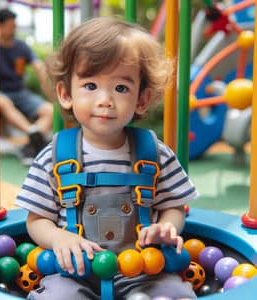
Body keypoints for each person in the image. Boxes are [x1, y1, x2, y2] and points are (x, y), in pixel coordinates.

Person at [15, 17, 198, 299]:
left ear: (141, 99)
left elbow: (174, 206)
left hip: (142, 273)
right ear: (66, 94)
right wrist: (59, 237)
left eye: (121, 88)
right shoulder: (53, 157)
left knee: (176, 294)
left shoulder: (154, 153)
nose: (105, 100)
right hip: (73, 272)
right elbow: (37, 219)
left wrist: (166, 228)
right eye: (90, 85)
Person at [0, 8, 53, 166]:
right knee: (3, 101)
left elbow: (38, 66)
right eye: (10, 26)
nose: (13, 29)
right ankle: (34, 135)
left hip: (20, 92)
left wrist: (47, 86)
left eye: (15, 26)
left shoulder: (21, 46)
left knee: (49, 110)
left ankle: (28, 145)